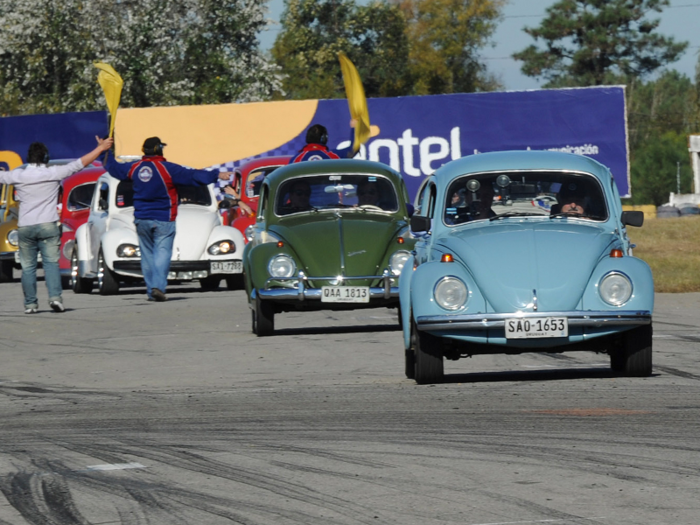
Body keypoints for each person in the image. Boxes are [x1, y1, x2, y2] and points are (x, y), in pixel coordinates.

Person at [105, 137, 230, 302]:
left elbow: (114, 169)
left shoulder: (134, 168)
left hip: (142, 218)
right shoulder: (167, 169)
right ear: (159, 149)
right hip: (164, 218)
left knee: (147, 255)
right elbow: (193, 176)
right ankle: (158, 286)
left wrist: (104, 150)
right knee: (162, 253)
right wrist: (217, 174)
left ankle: (151, 290)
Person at [0, 136, 113, 313]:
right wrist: (100, 148)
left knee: (28, 268)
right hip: (48, 224)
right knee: (51, 264)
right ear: (45, 158)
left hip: (26, 226)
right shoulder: (53, 173)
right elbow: (80, 163)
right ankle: (55, 298)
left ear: (29, 157)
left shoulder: (17, 175)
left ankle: (30, 304)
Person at [292, 121, 356, 163]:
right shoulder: (332, 155)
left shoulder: (296, 159)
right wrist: (354, 128)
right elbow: (353, 149)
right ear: (324, 138)